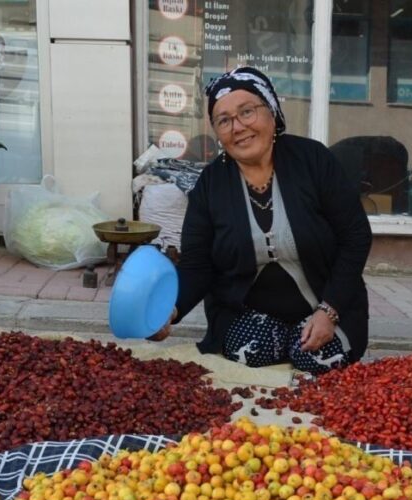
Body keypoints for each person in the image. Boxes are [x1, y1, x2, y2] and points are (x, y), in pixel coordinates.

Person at [149, 66, 372, 374]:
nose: (238, 127)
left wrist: (330, 310)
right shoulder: (211, 185)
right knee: (247, 351)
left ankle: (308, 333)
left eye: (247, 112)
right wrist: (169, 310)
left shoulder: (313, 161)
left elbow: (356, 236)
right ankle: (281, 342)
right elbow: (197, 266)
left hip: (325, 308)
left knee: (319, 358)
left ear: (272, 112)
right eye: (224, 120)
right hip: (251, 317)